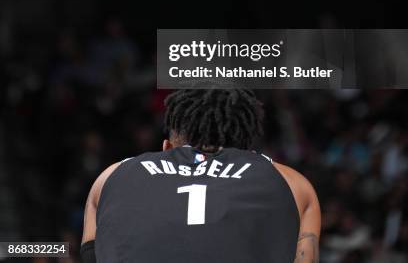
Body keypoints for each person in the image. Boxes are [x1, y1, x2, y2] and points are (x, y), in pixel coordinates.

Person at [81, 89, 320, 262]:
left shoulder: (110, 177)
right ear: (249, 152)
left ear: (166, 148)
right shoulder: (292, 183)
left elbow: (91, 256)